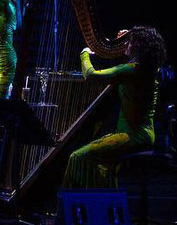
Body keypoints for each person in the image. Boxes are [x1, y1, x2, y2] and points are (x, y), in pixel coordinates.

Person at [62, 27, 165, 189]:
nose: (126, 46)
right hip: (141, 133)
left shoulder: (131, 70)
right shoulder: (146, 69)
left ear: (138, 47)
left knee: (78, 156)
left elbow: (91, 76)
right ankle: (103, 202)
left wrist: (85, 54)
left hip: (134, 135)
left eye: (130, 43)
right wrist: (123, 37)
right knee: (99, 162)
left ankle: (80, 205)